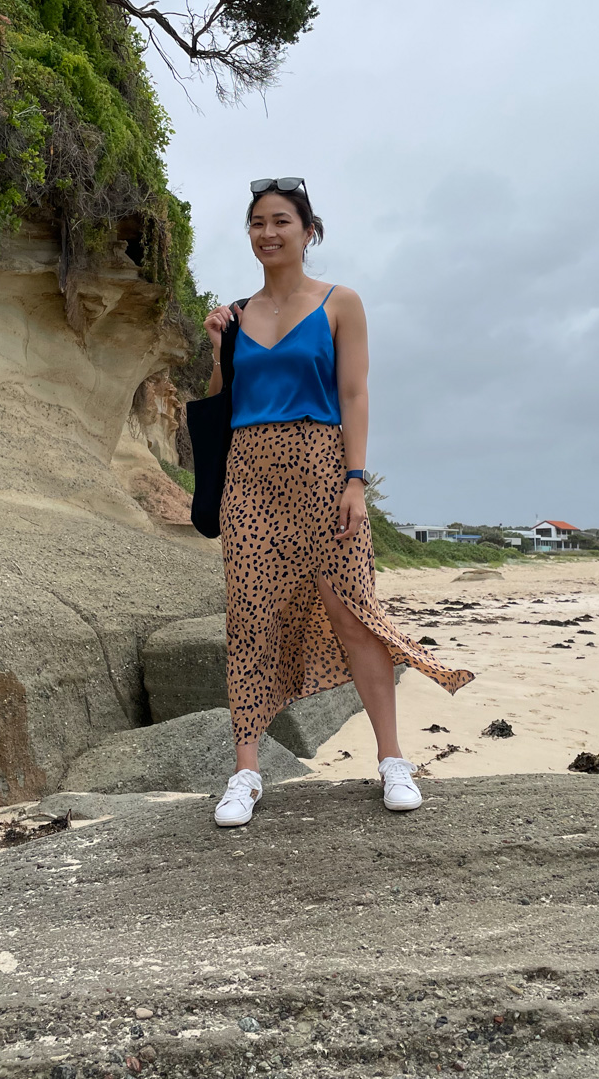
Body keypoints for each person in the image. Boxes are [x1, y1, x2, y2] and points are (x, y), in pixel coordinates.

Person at [202, 177, 474, 828]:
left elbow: (354, 394)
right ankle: (246, 773)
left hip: (324, 470)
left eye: (280, 222)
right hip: (250, 475)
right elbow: (218, 403)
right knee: (251, 618)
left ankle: (392, 760)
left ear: (308, 231)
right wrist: (218, 350)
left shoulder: (340, 303)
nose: (268, 233)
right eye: (257, 223)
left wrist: (355, 478)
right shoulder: (235, 316)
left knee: (354, 611)